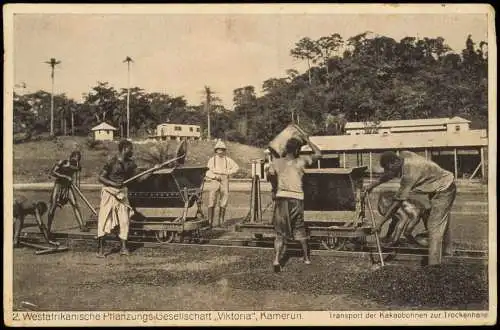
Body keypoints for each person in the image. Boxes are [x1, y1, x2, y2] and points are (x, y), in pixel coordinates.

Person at [363, 150, 456, 265]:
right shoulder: (403, 156)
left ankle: (434, 266)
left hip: (444, 190)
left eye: (389, 168)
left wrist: (380, 223)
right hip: (437, 185)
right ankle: (447, 252)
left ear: (395, 162)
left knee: (434, 226)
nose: (388, 172)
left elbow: (397, 203)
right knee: (440, 221)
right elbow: (390, 174)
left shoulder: (409, 175)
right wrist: (372, 185)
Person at [266, 136, 321, 272]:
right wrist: (308, 141)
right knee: (299, 227)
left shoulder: (277, 162)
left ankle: (277, 259)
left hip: (281, 198)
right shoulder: (301, 161)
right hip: (297, 199)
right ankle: (306, 258)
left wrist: (275, 188)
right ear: (297, 150)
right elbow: (319, 154)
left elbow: (270, 176)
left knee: (279, 233)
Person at [96, 139, 158, 258]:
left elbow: (139, 179)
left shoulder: (130, 164)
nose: (132, 151)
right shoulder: (111, 161)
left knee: (124, 221)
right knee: (104, 221)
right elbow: (101, 177)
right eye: (131, 149)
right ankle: (100, 250)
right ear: (124, 149)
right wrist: (114, 184)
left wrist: (152, 170)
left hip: (122, 193)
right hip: (109, 193)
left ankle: (124, 248)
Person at [47, 150, 88, 235]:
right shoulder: (62, 162)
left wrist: (76, 167)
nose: (76, 161)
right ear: (71, 157)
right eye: (75, 159)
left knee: (75, 204)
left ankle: (81, 226)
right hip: (59, 186)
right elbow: (52, 173)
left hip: (68, 187)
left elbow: (78, 169)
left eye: (78, 160)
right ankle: (48, 228)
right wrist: (65, 176)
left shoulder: (76, 164)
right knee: (53, 206)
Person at [205, 140, 240, 228]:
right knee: (212, 200)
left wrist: (228, 172)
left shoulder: (228, 160)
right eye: (218, 150)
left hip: (224, 179)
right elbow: (207, 171)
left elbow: (236, 167)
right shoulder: (212, 160)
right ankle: (210, 222)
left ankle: (221, 222)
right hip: (215, 180)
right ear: (216, 150)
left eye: (222, 150)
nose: (220, 151)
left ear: (224, 150)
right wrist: (214, 176)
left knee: (224, 199)